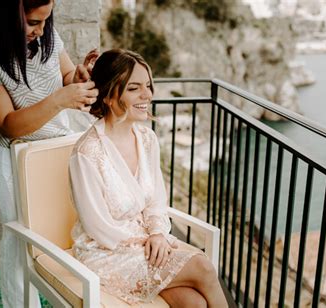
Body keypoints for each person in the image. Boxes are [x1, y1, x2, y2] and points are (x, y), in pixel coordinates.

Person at [0, 0, 98, 307]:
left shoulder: (45, 33)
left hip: (52, 148)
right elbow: (8, 124)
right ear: (6, 15)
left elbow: (64, 77)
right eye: (33, 22)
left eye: (46, 20)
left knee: (59, 227)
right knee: (21, 237)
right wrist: (62, 99)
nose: (42, 29)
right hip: (12, 155)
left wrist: (78, 78)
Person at [69, 49, 228, 307]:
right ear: (109, 95)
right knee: (203, 266)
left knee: (194, 304)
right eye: (134, 88)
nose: (147, 95)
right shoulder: (86, 153)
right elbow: (98, 227)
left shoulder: (147, 139)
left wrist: (157, 233)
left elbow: (156, 200)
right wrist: (147, 241)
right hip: (107, 253)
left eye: (148, 86)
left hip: (149, 244)